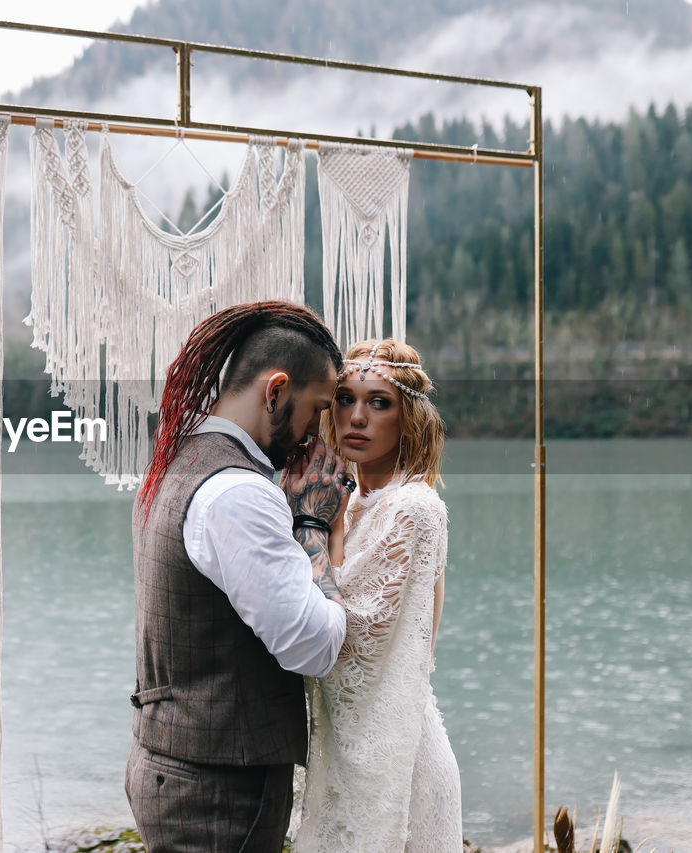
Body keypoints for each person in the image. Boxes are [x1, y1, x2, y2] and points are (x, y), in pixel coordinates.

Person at [126, 300, 355, 852]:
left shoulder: (184, 455)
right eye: (317, 408)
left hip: (176, 768)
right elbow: (312, 644)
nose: (315, 432)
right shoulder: (240, 494)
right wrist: (312, 525)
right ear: (275, 392)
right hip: (219, 791)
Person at [290, 338, 462, 852]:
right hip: (351, 752)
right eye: (345, 399)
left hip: (400, 759)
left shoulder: (414, 508)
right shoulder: (353, 499)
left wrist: (320, 530)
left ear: (408, 418)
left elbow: (349, 635)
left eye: (378, 402)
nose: (357, 417)